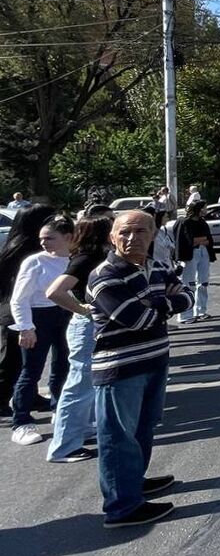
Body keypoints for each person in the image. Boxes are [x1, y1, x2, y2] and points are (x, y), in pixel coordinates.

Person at [89, 210, 192, 528]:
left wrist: (158, 304)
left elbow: (187, 296)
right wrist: (166, 303)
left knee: (143, 429)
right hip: (120, 368)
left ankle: (133, 483)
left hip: (155, 360)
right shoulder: (104, 275)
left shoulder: (158, 267)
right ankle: (122, 507)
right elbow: (137, 319)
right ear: (112, 237)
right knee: (118, 438)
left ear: (154, 235)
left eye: (140, 231)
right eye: (124, 232)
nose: (132, 238)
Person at [44, 215, 112, 463]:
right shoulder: (86, 259)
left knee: (86, 385)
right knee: (79, 386)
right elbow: (54, 291)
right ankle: (64, 447)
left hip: (91, 326)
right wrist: (83, 310)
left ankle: (79, 430)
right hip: (86, 327)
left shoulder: (90, 256)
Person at [9, 215, 74, 445]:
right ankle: (21, 422)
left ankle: (60, 410)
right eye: (41, 239)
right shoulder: (35, 261)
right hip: (38, 316)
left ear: (68, 237)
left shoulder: (74, 259)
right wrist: (26, 327)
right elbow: (19, 298)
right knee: (31, 370)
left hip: (67, 314)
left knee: (64, 366)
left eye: (49, 238)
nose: (44, 243)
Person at [0, 205, 57, 420]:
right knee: (13, 361)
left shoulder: (19, 246)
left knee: (27, 361)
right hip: (17, 311)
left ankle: (30, 396)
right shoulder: (26, 251)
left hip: (18, 309)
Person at [173, 202, 214, 324]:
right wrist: (199, 240)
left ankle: (200, 311)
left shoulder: (202, 222)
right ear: (198, 209)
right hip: (189, 254)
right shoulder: (184, 222)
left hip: (203, 252)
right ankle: (185, 315)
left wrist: (199, 241)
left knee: (203, 282)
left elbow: (208, 239)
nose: (206, 210)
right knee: (188, 283)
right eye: (204, 208)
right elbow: (187, 240)